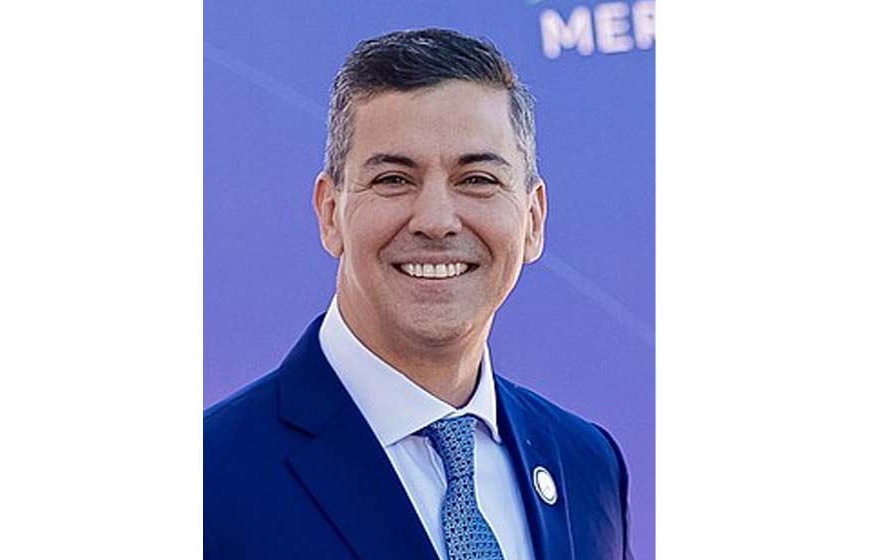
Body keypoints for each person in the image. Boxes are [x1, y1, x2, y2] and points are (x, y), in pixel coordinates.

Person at [204, 28, 634, 559]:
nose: (435, 220)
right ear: (330, 213)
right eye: (393, 179)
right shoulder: (209, 479)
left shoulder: (587, 464)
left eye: (477, 180)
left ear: (533, 220)